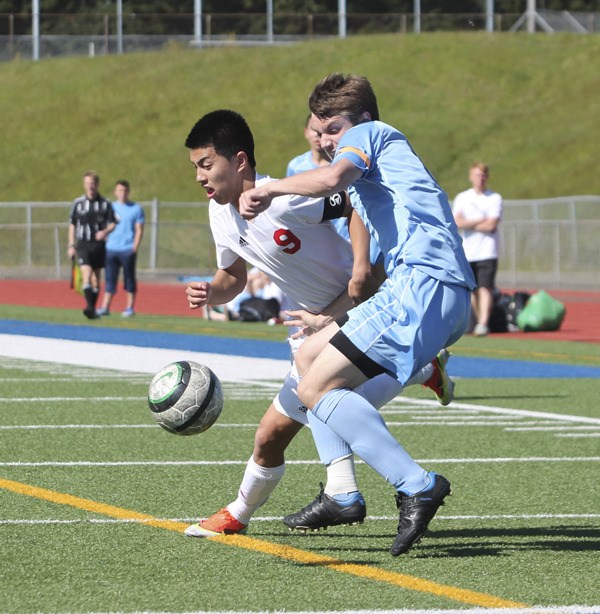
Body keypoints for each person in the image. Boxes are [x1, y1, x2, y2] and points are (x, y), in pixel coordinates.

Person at [182, 109, 454, 540]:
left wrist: (360, 270)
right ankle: (420, 373)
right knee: (273, 434)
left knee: (319, 399)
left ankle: (329, 495)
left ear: (238, 162)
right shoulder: (220, 213)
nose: (199, 176)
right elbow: (232, 277)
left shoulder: (289, 198)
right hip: (315, 327)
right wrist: (210, 293)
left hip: (359, 313)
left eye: (206, 164)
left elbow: (354, 200)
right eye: (195, 166)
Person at [239, 74, 476, 556]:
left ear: (363, 120)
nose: (327, 141)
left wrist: (270, 189)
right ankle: (343, 491)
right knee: (309, 360)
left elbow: (331, 178)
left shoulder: (370, 136)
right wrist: (332, 317)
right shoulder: (376, 178)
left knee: (313, 388)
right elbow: (369, 266)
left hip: (426, 286)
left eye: (335, 128)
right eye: (320, 131)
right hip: (427, 292)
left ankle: (417, 484)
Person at [452, 162, 503, 337]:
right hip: (468, 251)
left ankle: (483, 323)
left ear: (486, 177)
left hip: (487, 251)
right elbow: (457, 222)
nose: (479, 179)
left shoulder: (494, 198)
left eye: (482, 175)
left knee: (485, 287)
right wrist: (479, 220)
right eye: (476, 175)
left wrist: (470, 223)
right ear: (470, 177)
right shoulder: (463, 198)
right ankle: (479, 318)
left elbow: (491, 225)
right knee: (471, 289)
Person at [67, 171, 116, 319]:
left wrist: (105, 232)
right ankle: (89, 306)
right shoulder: (78, 203)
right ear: (84, 184)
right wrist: (70, 245)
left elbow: (113, 222)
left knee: (96, 278)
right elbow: (72, 225)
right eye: (88, 183)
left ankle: (92, 309)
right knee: (86, 273)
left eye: (93, 183)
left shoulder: (105, 204)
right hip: (83, 244)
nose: (90, 186)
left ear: (97, 184)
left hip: (99, 245)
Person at [96, 180, 145, 318]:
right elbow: (103, 225)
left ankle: (130, 307)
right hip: (111, 249)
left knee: (129, 279)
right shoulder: (110, 207)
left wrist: (134, 247)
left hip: (127, 249)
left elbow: (139, 229)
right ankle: (105, 307)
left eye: (125, 190)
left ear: (128, 192)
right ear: (115, 192)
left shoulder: (136, 208)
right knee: (110, 278)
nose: (122, 193)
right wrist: (105, 238)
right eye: (119, 190)